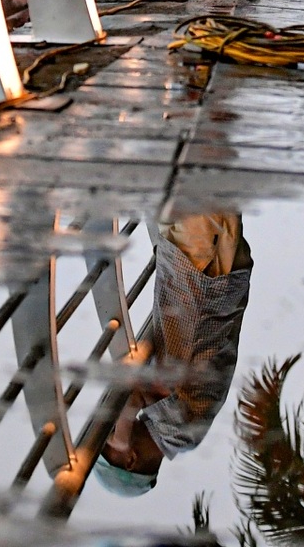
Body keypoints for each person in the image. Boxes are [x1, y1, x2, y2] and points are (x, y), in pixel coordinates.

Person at [96, 213, 253, 497]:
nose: (109, 432)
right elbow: (130, 398)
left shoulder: (173, 427)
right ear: (130, 460)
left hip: (197, 268)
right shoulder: (179, 434)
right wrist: (120, 437)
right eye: (107, 443)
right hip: (201, 269)